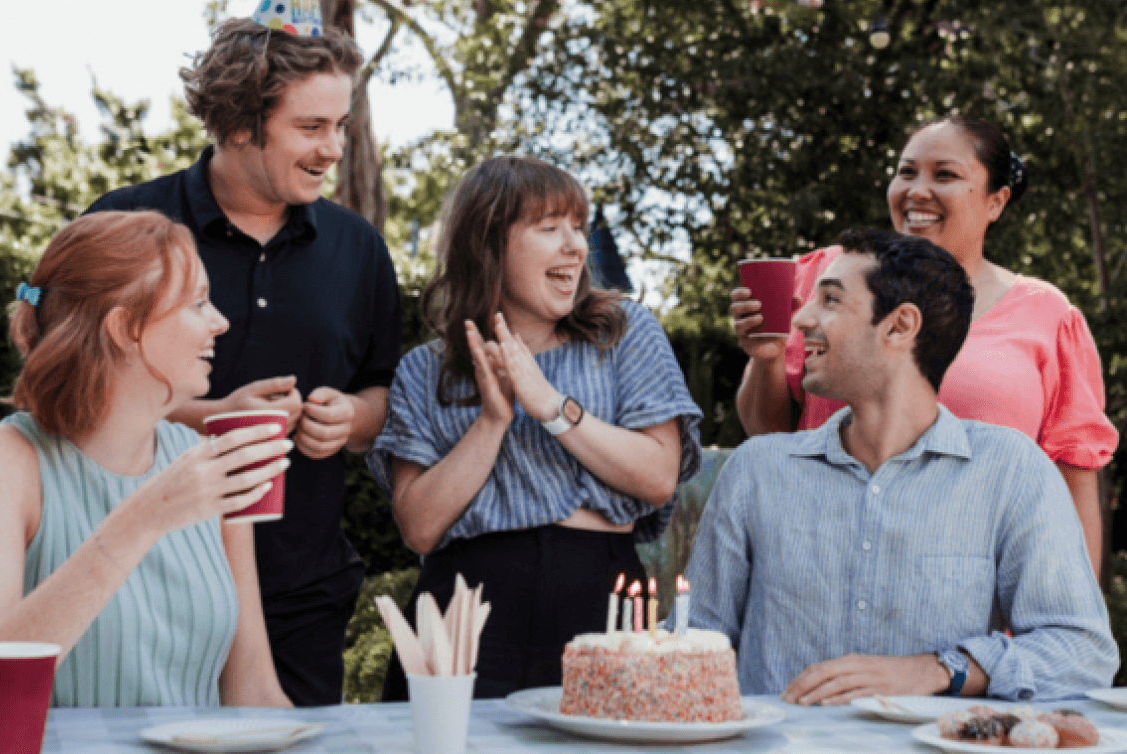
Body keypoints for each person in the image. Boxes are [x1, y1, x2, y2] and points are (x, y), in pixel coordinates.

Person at [86, 14, 402, 706]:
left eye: (341, 126)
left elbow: (385, 396)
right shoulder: (125, 226)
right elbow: (62, 396)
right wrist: (211, 420)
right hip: (143, 580)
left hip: (301, 591)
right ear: (237, 123)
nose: (334, 150)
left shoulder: (360, 250)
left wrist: (348, 418)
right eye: (311, 127)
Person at [683, 227, 1117, 703]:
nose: (801, 318)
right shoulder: (755, 472)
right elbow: (695, 643)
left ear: (899, 326)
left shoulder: (1012, 472)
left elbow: (1082, 653)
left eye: (829, 300)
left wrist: (940, 670)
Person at [366, 156, 703, 699]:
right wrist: (493, 421)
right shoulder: (425, 369)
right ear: (488, 245)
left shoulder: (625, 334)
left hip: (599, 597)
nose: (575, 246)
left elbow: (659, 475)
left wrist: (550, 406)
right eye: (549, 228)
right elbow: (420, 528)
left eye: (577, 227)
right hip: (463, 612)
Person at [0, 211, 294, 723]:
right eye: (197, 302)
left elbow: (254, 692)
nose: (220, 320)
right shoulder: (3, 461)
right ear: (126, 328)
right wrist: (145, 518)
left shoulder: (208, 460)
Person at [734, 115, 1118, 575]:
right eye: (906, 171)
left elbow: (1074, 482)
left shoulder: (1046, 314)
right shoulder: (828, 277)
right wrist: (767, 359)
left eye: (945, 175)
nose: (917, 190)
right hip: (825, 574)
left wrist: (1079, 627)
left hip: (984, 597)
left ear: (996, 202)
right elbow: (769, 435)